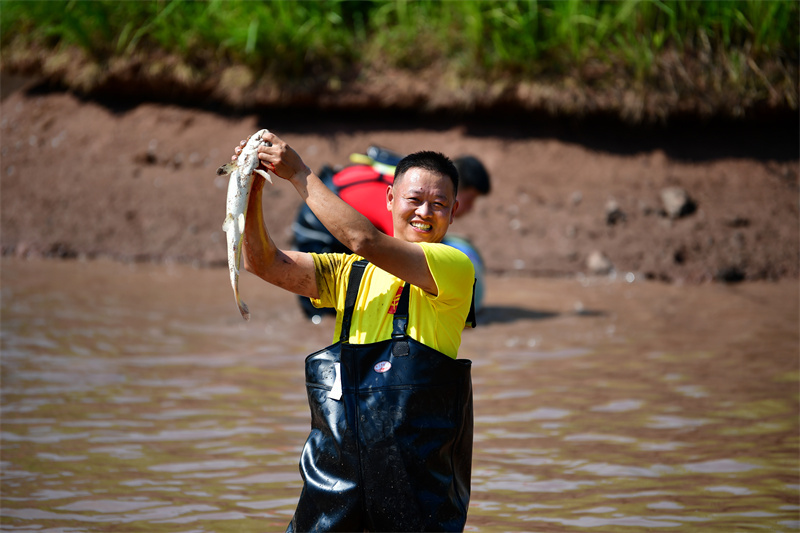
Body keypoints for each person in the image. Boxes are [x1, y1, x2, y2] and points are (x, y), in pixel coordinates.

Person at [234, 131, 475, 532]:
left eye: (439, 205)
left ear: (452, 215)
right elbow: (264, 263)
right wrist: (253, 189)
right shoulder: (351, 272)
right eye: (414, 200)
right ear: (390, 200)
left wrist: (301, 174)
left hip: (415, 484)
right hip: (335, 474)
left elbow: (362, 238)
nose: (424, 212)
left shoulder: (454, 267)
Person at [292, 147, 491, 320]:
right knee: (325, 312)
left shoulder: (415, 187)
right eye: (471, 199)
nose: (471, 208)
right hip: (319, 218)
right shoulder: (405, 200)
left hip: (348, 216)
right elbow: (390, 252)